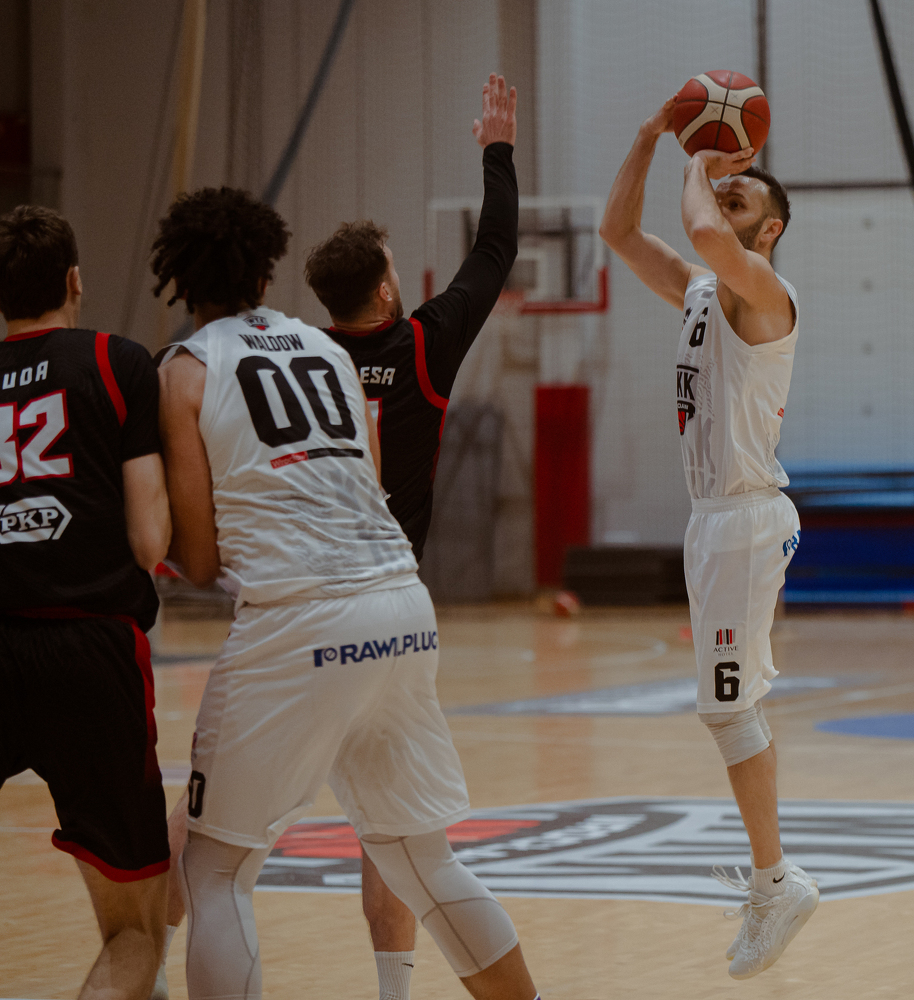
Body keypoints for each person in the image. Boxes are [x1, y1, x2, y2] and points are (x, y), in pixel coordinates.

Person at [150, 185, 539, 1000]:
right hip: (398, 599)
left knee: (215, 869)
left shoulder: (185, 371)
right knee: (423, 859)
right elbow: (370, 484)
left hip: (298, 617)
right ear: (266, 270)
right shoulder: (325, 351)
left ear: (180, 282)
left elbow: (197, 559)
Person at [302, 71, 518, 1000]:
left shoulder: (297, 363)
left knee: (222, 827)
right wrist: (497, 151)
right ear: (387, 288)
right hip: (390, 605)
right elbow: (495, 249)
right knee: (392, 833)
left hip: (300, 604)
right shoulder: (422, 346)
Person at [599, 97, 816, 980]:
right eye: (722, 192)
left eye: (739, 199)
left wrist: (700, 157)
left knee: (728, 707)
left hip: (744, 518)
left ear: (768, 232)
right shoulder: (698, 288)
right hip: (712, 520)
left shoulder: (768, 293)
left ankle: (776, 881)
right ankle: (773, 879)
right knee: (727, 706)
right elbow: (617, 231)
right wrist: (648, 136)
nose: (721, 202)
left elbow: (702, 231)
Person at [0, 205, 173, 1000]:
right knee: (136, 934)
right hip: (93, 651)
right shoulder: (116, 361)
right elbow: (149, 541)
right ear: (73, 280)